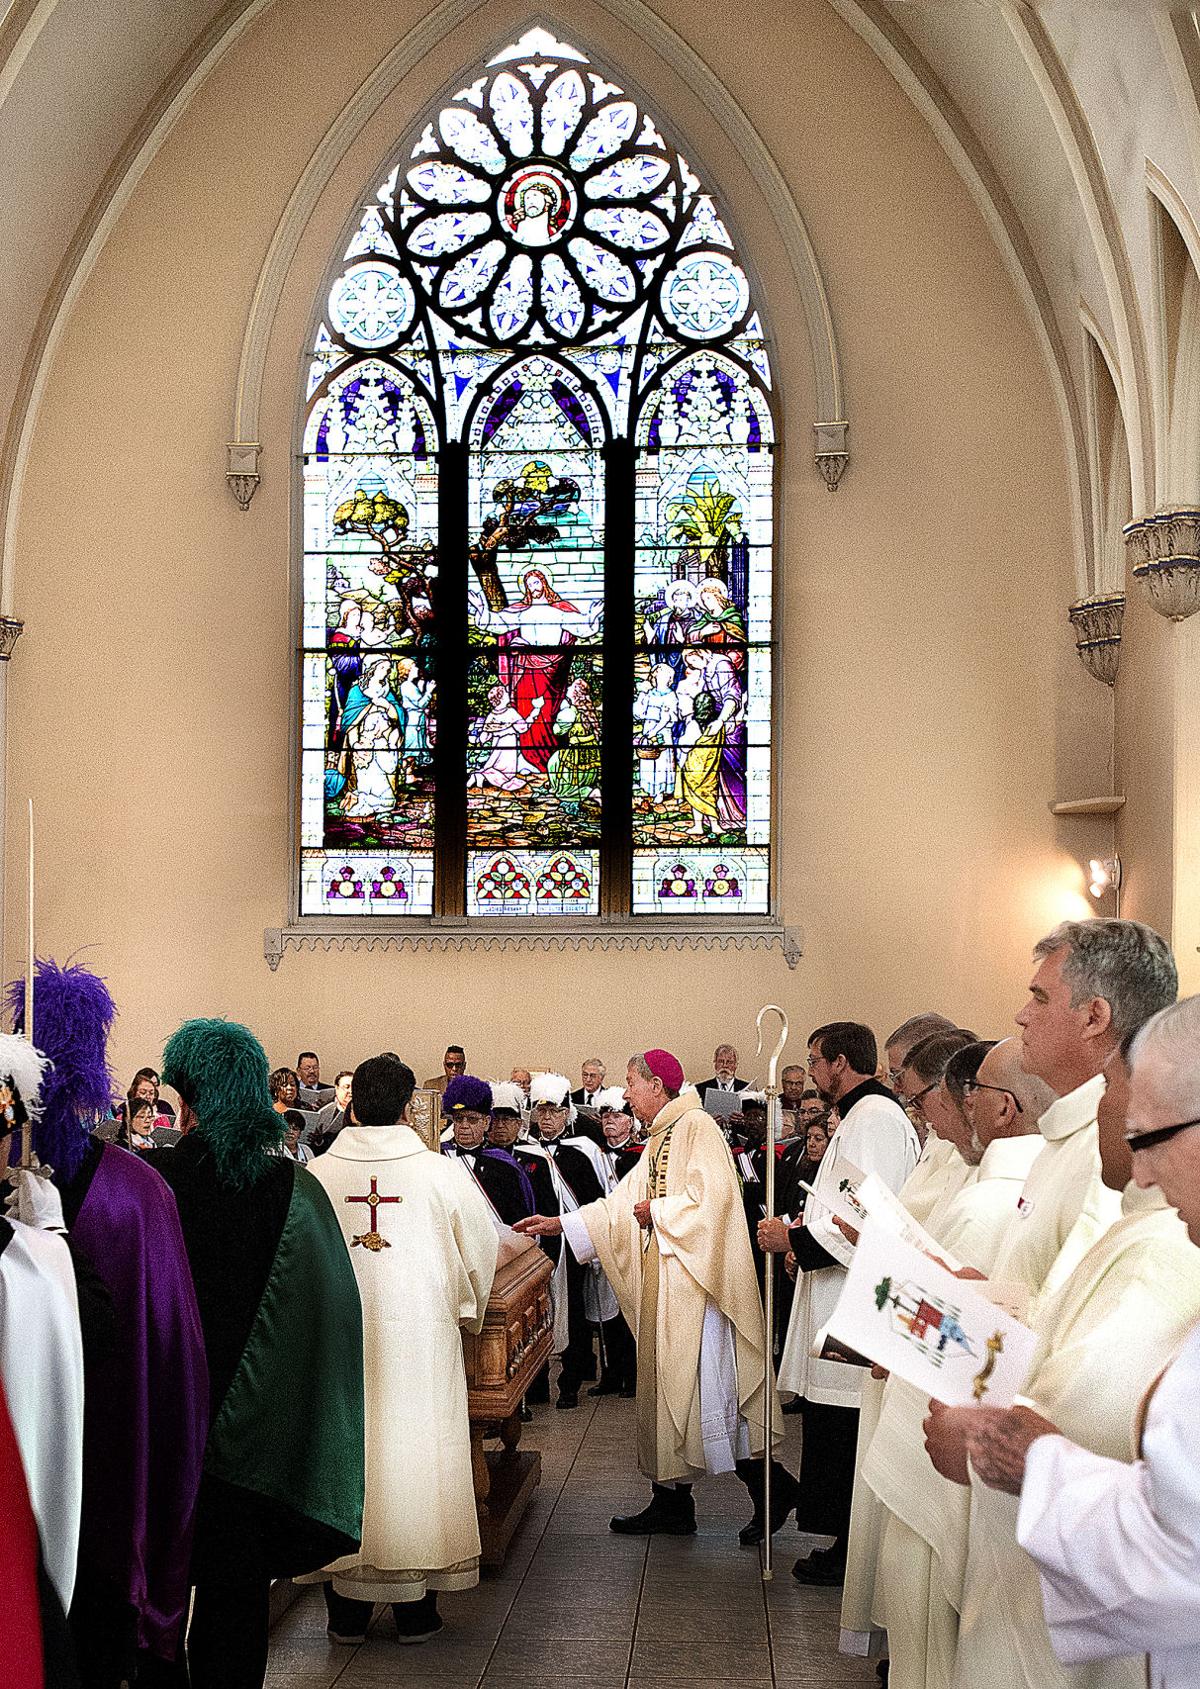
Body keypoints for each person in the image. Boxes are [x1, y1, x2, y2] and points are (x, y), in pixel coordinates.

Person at [925, 1001, 1200, 1689]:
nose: (1142, 1173)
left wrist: (997, 1445)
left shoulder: (1163, 1247)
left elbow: (1176, 1540)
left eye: (1148, 1132)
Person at [148, 1018, 365, 1689]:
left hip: (162, 1425)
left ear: (185, 1098)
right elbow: (332, 1313)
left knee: (154, 1591)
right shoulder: (294, 1188)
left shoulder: (151, 1178)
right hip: (256, 1439)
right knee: (236, 1597)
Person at [9, 961, 209, 1689]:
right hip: (110, 1478)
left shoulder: (133, 1193)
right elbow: (178, 1373)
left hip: (68, 1466)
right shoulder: (138, 1191)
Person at [517, 1051, 780, 1539]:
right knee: (667, 1392)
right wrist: (562, 1223)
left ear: (657, 1085)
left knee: (706, 1392)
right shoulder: (662, 1134)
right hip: (670, 1284)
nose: (627, 1095)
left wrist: (657, 1213)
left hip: (698, 1289)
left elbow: (716, 1202)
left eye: (631, 1086)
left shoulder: (696, 1127)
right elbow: (619, 1206)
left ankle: (772, 1489)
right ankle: (672, 1503)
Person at [860, 1039, 1053, 1689]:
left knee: (926, 1597)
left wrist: (884, 1325)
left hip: (953, 1437)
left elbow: (954, 1334)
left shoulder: (991, 1195)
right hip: (996, 1438)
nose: (948, 1108)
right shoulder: (1035, 1183)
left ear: (1000, 1107)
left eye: (960, 1094)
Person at [303, 1055, 498, 1645]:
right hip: (419, 1346)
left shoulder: (316, 1174)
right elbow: (482, 1247)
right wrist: (466, 1311)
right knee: (416, 1460)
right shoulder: (441, 1174)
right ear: (411, 1106)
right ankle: (416, 1611)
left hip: (337, 1351)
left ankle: (345, 1611)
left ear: (352, 1105)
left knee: (348, 1458)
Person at [763, 1021, 920, 1580]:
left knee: (845, 1427)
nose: (811, 1073)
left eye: (815, 1061)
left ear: (840, 1062)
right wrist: (803, 1232)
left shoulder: (874, 1120)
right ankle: (844, 1542)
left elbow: (866, 1216)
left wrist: (796, 1241)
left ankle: (851, 1549)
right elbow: (837, 1203)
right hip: (836, 1285)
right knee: (832, 1422)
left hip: (853, 1298)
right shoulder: (859, 1117)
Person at [526, 1073, 616, 1408]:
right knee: (535, 1313)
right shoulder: (525, 1151)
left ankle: (570, 1382)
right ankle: (534, 1385)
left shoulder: (585, 1150)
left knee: (574, 1314)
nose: (546, 1118)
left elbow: (598, 1200)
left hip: (572, 1240)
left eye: (553, 1112)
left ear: (567, 1114)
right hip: (537, 1245)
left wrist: (592, 1243)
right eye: (541, 1112)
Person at [440, 1076, 534, 1226]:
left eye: (472, 1119)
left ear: (486, 1122)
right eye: (458, 1119)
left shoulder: (504, 1164)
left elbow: (517, 1219)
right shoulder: (440, 1156)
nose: (464, 1125)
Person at [311, 1070, 353, 1154]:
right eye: (347, 1087)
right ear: (337, 1088)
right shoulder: (325, 1110)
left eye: (354, 1087)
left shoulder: (361, 1113)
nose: (351, 1091)